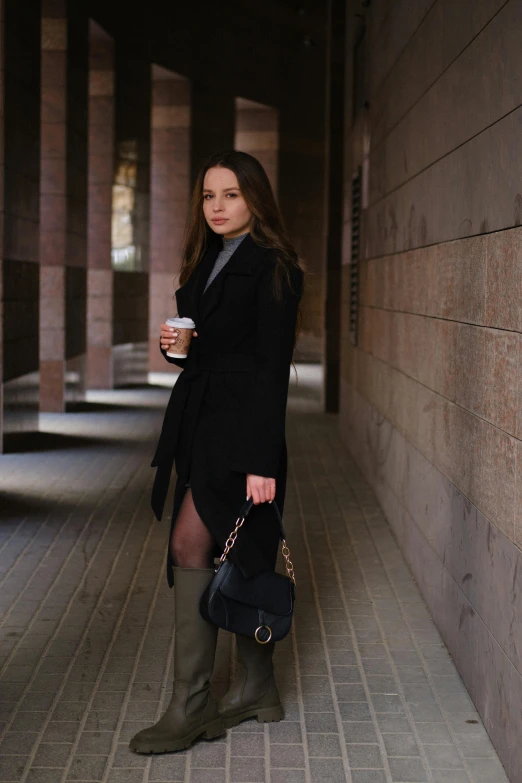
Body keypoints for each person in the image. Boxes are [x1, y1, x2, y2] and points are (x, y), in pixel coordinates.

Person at [129, 150, 304, 754]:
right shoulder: (207, 258)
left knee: (191, 543)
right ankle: (258, 686)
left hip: (244, 429)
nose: (218, 207)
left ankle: (192, 703)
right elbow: (207, 346)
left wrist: (261, 460)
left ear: (255, 198)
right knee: (247, 545)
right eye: (209, 196)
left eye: (230, 195)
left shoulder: (275, 266)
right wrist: (178, 350)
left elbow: (271, 370)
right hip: (204, 422)